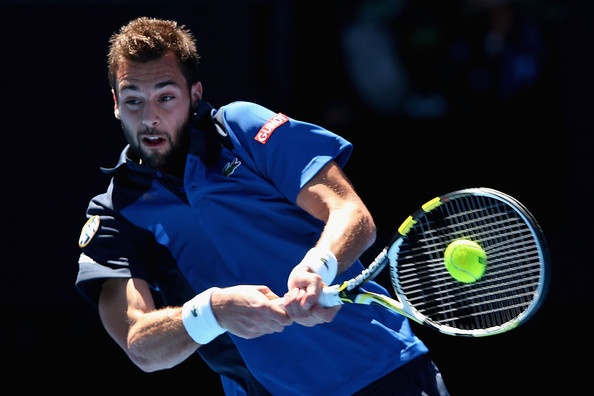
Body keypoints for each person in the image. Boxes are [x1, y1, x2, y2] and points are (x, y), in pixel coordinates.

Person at [75, 16, 450, 396]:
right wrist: (212, 310)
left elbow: (351, 213)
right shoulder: (115, 214)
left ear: (194, 94)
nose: (150, 118)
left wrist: (318, 265)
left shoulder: (241, 129)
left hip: (386, 373)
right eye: (134, 100)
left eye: (166, 96)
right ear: (116, 104)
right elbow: (141, 346)